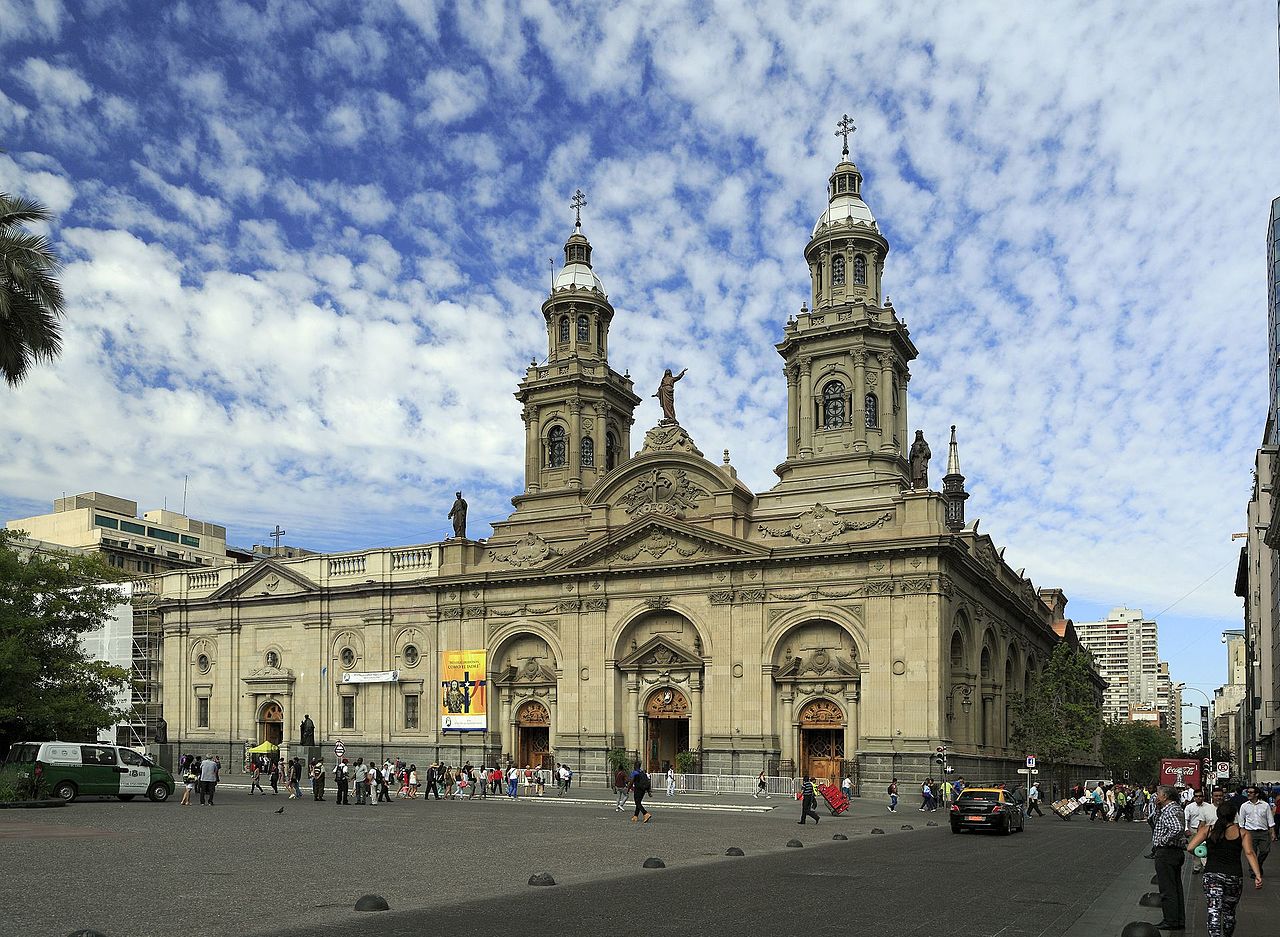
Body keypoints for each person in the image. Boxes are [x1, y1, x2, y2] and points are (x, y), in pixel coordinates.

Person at [1187, 800, 1264, 937]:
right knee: (1229, 912)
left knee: (1213, 910)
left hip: (1212, 875)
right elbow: (1249, 853)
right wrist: (1257, 875)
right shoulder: (1243, 833)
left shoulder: (1208, 830)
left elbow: (1190, 847)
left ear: (1218, 814)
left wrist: (1202, 851)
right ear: (1234, 815)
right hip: (1233, 876)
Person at [1150, 784, 1187, 932]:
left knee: (1167, 889)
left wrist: (1163, 840)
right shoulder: (1171, 808)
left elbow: (1177, 828)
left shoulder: (1171, 809)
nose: (1156, 797)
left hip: (1167, 852)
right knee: (1175, 887)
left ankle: (1171, 920)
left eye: (1158, 794)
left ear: (1165, 796)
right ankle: (1177, 919)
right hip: (1172, 852)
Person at [1239, 786, 1276, 873]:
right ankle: (1253, 871)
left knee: (1265, 851)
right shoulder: (1244, 806)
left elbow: (1270, 819)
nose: (1249, 794)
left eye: (1251, 792)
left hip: (1263, 832)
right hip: (1250, 832)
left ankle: (1258, 865)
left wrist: (1273, 832)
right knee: (1252, 852)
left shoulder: (1265, 805)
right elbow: (1241, 821)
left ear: (1257, 794)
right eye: (1248, 792)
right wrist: (1242, 833)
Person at [1185, 789, 1216, 874]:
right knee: (1195, 849)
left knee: (1206, 848)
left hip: (1206, 830)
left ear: (1203, 797)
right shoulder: (1189, 807)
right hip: (1194, 830)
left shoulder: (1208, 807)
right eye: (1196, 796)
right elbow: (1186, 819)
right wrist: (1186, 829)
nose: (1198, 798)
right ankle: (1196, 867)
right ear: (1194, 797)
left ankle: (1207, 866)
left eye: (1200, 796)